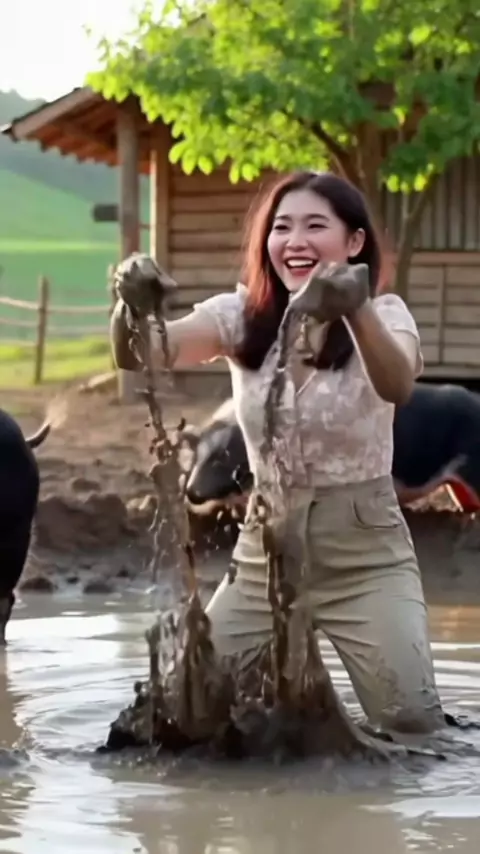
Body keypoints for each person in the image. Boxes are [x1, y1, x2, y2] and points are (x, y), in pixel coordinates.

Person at [110, 170, 445, 736]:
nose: (295, 241)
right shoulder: (240, 317)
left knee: (412, 721)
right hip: (262, 558)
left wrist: (356, 310)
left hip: (366, 559)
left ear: (354, 242)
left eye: (315, 226)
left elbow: (398, 385)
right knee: (184, 714)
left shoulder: (387, 316)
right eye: (281, 227)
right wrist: (130, 305)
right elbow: (140, 353)